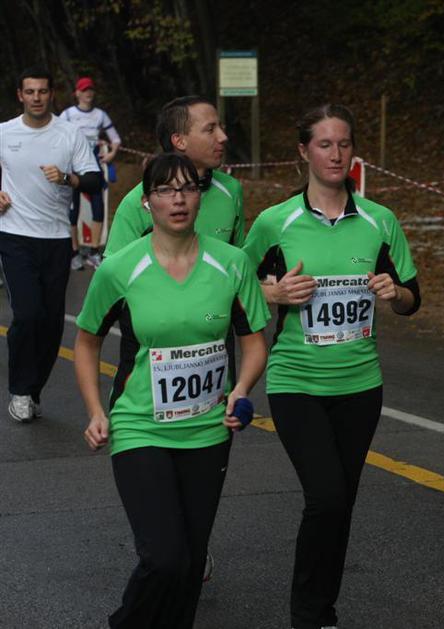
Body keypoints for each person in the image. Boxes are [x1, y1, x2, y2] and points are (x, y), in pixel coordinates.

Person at [242, 104, 420, 629]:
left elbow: (413, 297)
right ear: (304, 152)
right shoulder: (276, 222)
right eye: (324, 144)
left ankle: (323, 612)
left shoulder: (379, 221)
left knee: (341, 504)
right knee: (325, 497)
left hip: (360, 385)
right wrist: (274, 292)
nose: (336, 154)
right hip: (296, 381)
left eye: (344, 144)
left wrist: (395, 293)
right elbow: (234, 287)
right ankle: (308, 614)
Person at [74, 153, 269, 628]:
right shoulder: (120, 269)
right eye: (165, 190)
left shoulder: (232, 264)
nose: (177, 199)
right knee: (164, 557)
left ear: (199, 197)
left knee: (190, 563)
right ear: (147, 202)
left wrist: (241, 388)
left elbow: (253, 342)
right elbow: (86, 341)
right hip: (140, 426)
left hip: (208, 430)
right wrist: (96, 410)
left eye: (187, 188)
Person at [0, 67, 102, 422]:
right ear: (20, 95)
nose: (36, 98)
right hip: (14, 235)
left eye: (42, 91)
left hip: (57, 238)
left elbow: (94, 180)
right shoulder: (4, 132)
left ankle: (33, 389)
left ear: (51, 94)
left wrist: (68, 178)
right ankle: (20, 390)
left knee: (51, 323)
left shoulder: (69, 134)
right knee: (27, 314)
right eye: (30, 92)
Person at [105, 95, 243, 256]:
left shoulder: (231, 189)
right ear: (179, 141)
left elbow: (240, 262)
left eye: (221, 127)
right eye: (210, 129)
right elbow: (113, 269)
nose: (223, 137)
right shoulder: (137, 202)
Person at [61, 76, 121, 269]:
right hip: (72, 166)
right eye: (84, 90)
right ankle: (74, 253)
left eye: (91, 90)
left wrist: (111, 154)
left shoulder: (100, 115)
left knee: (98, 208)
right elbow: (56, 136)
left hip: (93, 166)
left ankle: (94, 252)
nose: (88, 93)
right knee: (72, 211)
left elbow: (116, 139)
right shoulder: (68, 114)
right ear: (77, 93)